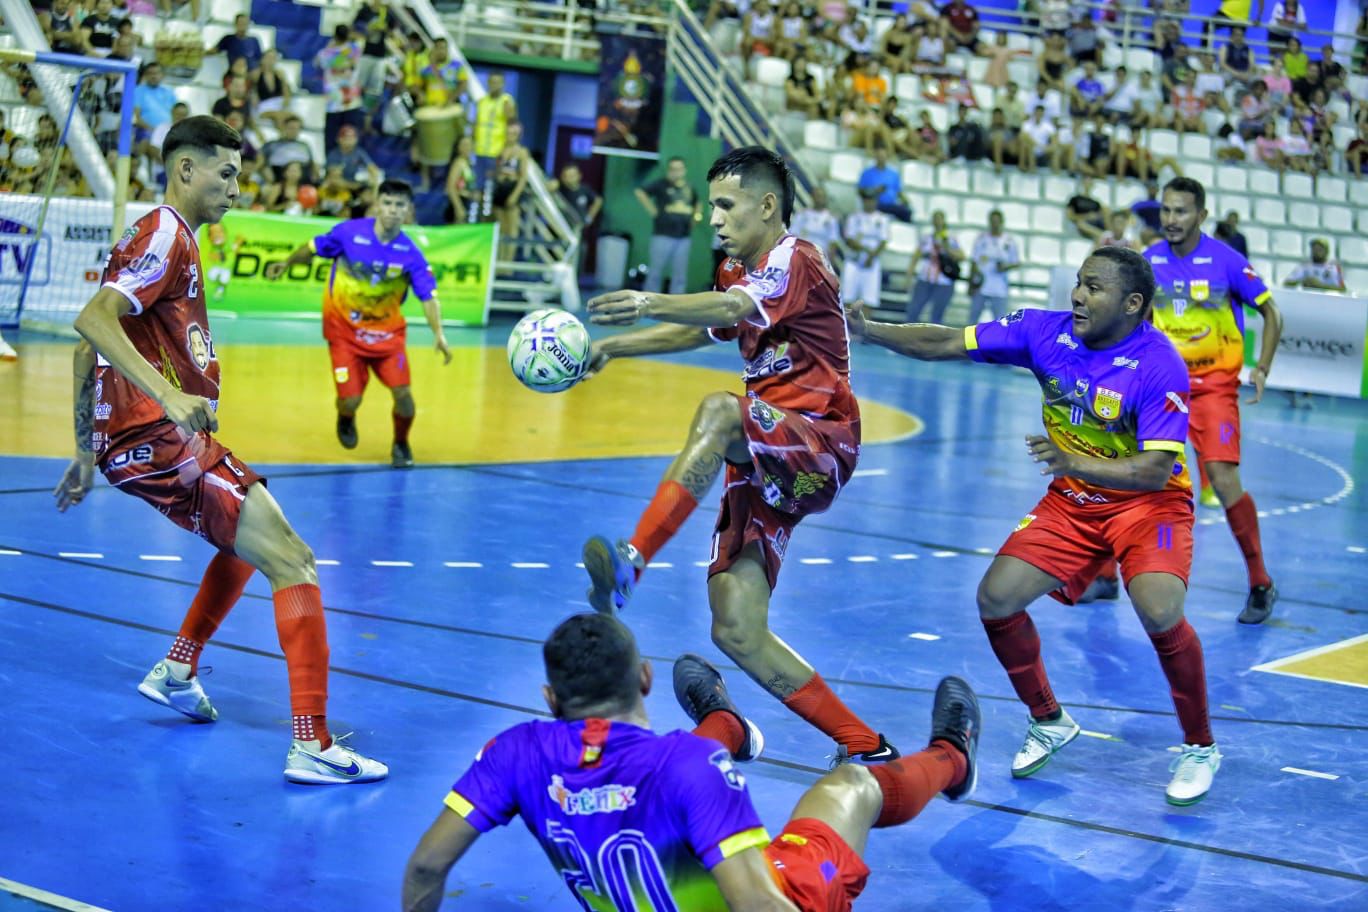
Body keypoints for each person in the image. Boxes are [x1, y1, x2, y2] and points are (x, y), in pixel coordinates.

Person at [52, 116, 386, 785]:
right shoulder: (166, 233)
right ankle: (311, 744)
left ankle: (178, 670)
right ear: (185, 170)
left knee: (245, 543)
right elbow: (91, 320)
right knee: (292, 558)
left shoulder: (167, 239)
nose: (237, 187)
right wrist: (168, 399)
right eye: (226, 173)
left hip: (148, 439)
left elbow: (86, 348)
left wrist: (88, 449)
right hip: (160, 436)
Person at [848, 245, 1222, 806]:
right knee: (996, 598)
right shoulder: (1042, 332)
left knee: (1160, 607)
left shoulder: (1158, 363)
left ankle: (1199, 745)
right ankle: (1049, 719)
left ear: (1133, 303)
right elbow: (945, 340)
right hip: (1073, 502)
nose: (1077, 295)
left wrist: (1073, 462)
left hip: (1151, 506)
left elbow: (1153, 470)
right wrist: (871, 330)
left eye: (1094, 288)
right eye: (1078, 282)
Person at [578, 147, 899, 764]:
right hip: (768, 449)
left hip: (818, 439)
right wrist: (616, 347)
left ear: (767, 206)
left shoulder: (796, 259)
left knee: (721, 410)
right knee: (734, 624)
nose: (714, 219)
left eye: (726, 205)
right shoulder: (736, 271)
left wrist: (647, 298)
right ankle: (868, 746)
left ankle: (632, 562)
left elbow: (728, 311)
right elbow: (703, 328)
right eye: (711, 207)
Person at [402, 613, 982, 910]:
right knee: (851, 783)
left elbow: (427, 867)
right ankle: (952, 756)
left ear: (550, 700)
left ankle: (730, 723)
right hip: (781, 894)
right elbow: (758, 904)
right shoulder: (690, 763)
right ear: (645, 679)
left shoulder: (514, 752)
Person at [1146, 177, 1281, 623]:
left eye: (1181, 211)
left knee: (1222, 481)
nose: (1171, 219)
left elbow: (1271, 311)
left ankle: (1260, 582)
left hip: (1215, 388)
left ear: (1201, 215)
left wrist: (1260, 367)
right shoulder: (1148, 261)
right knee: (1135, 474)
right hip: (1163, 389)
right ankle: (1106, 575)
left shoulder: (1226, 261)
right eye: (1166, 210)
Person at [264, 180, 452, 468]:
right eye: (387, 203)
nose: (392, 210)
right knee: (350, 400)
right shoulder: (349, 233)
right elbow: (313, 247)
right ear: (377, 204)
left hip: (387, 337)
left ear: (409, 211)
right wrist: (287, 264)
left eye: (399, 205)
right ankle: (346, 416)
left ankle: (401, 443)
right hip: (344, 333)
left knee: (404, 397)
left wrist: (438, 333)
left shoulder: (411, 254)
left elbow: (428, 297)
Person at [636, 156, 702, 295]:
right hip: (662, 234)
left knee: (680, 274)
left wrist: (696, 219)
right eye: (673, 169)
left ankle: (676, 303)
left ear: (684, 170)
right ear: (668, 170)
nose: (676, 172)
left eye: (679, 169)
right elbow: (640, 192)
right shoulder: (661, 184)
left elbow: (698, 204)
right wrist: (653, 211)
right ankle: (649, 301)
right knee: (655, 271)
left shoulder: (689, 188)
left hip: (683, 236)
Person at [906, 209, 962, 324]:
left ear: (944, 221)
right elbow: (916, 256)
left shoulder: (951, 239)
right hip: (925, 279)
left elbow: (961, 256)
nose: (937, 222)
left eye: (939, 219)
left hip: (943, 281)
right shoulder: (926, 238)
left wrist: (946, 247)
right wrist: (909, 275)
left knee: (937, 315)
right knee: (914, 310)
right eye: (935, 219)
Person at [841, 188, 890, 307]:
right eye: (866, 200)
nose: (869, 203)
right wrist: (866, 250)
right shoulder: (854, 217)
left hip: (872, 263)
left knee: (869, 300)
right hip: (853, 260)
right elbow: (849, 240)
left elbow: (883, 241)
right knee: (847, 298)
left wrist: (871, 257)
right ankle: (846, 325)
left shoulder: (882, 219)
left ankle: (865, 326)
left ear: (876, 201)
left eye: (872, 200)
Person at [969, 209, 1019, 321]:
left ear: (1002, 222)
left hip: (999, 289)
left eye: (997, 221)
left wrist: (1005, 267)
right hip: (981, 287)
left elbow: (1016, 263)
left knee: (1000, 322)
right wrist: (971, 284)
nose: (994, 224)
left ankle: (996, 339)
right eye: (992, 221)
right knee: (972, 320)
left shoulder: (1009, 242)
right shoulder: (981, 239)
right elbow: (973, 261)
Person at [788, 183, 843, 266]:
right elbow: (792, 237)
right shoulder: (802, 215)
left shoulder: (831, 219)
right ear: (812, 197)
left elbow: (833, 243)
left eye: (822, 196)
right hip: (801, 257)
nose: (820, 199)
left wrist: (828, 265)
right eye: (817, 196)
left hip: (820, 261)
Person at [856, 146, 913, 222]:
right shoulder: (866, 173)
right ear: (875, 156)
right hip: (875, 205)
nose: (881, 158)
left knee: (906, 212)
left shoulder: (893, 174)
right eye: (879, 156)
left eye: (883, 156)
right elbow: (860, 191)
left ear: (887, 157)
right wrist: (874, 190)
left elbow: (899, 192)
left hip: (890, 205)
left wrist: (906, 201)